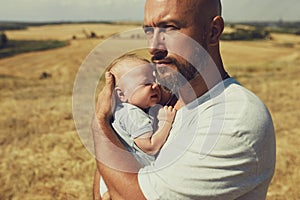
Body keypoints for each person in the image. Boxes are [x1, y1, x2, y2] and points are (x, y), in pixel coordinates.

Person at [93, 0, 276, 199]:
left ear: (213, 31)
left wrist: (101, 126)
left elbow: (130, 194)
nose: (153, 47)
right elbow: (110, 183)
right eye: (148, 31)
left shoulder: (236, 119)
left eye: (169, 28)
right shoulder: (157, 103)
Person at [93, 54, 177, 200]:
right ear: (122, 94)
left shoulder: (123, 112)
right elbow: (150, 147)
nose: (155, 86)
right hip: (126, 179)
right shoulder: (132, 113)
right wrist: (167, 122)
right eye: (146, 83)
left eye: (154, 81)